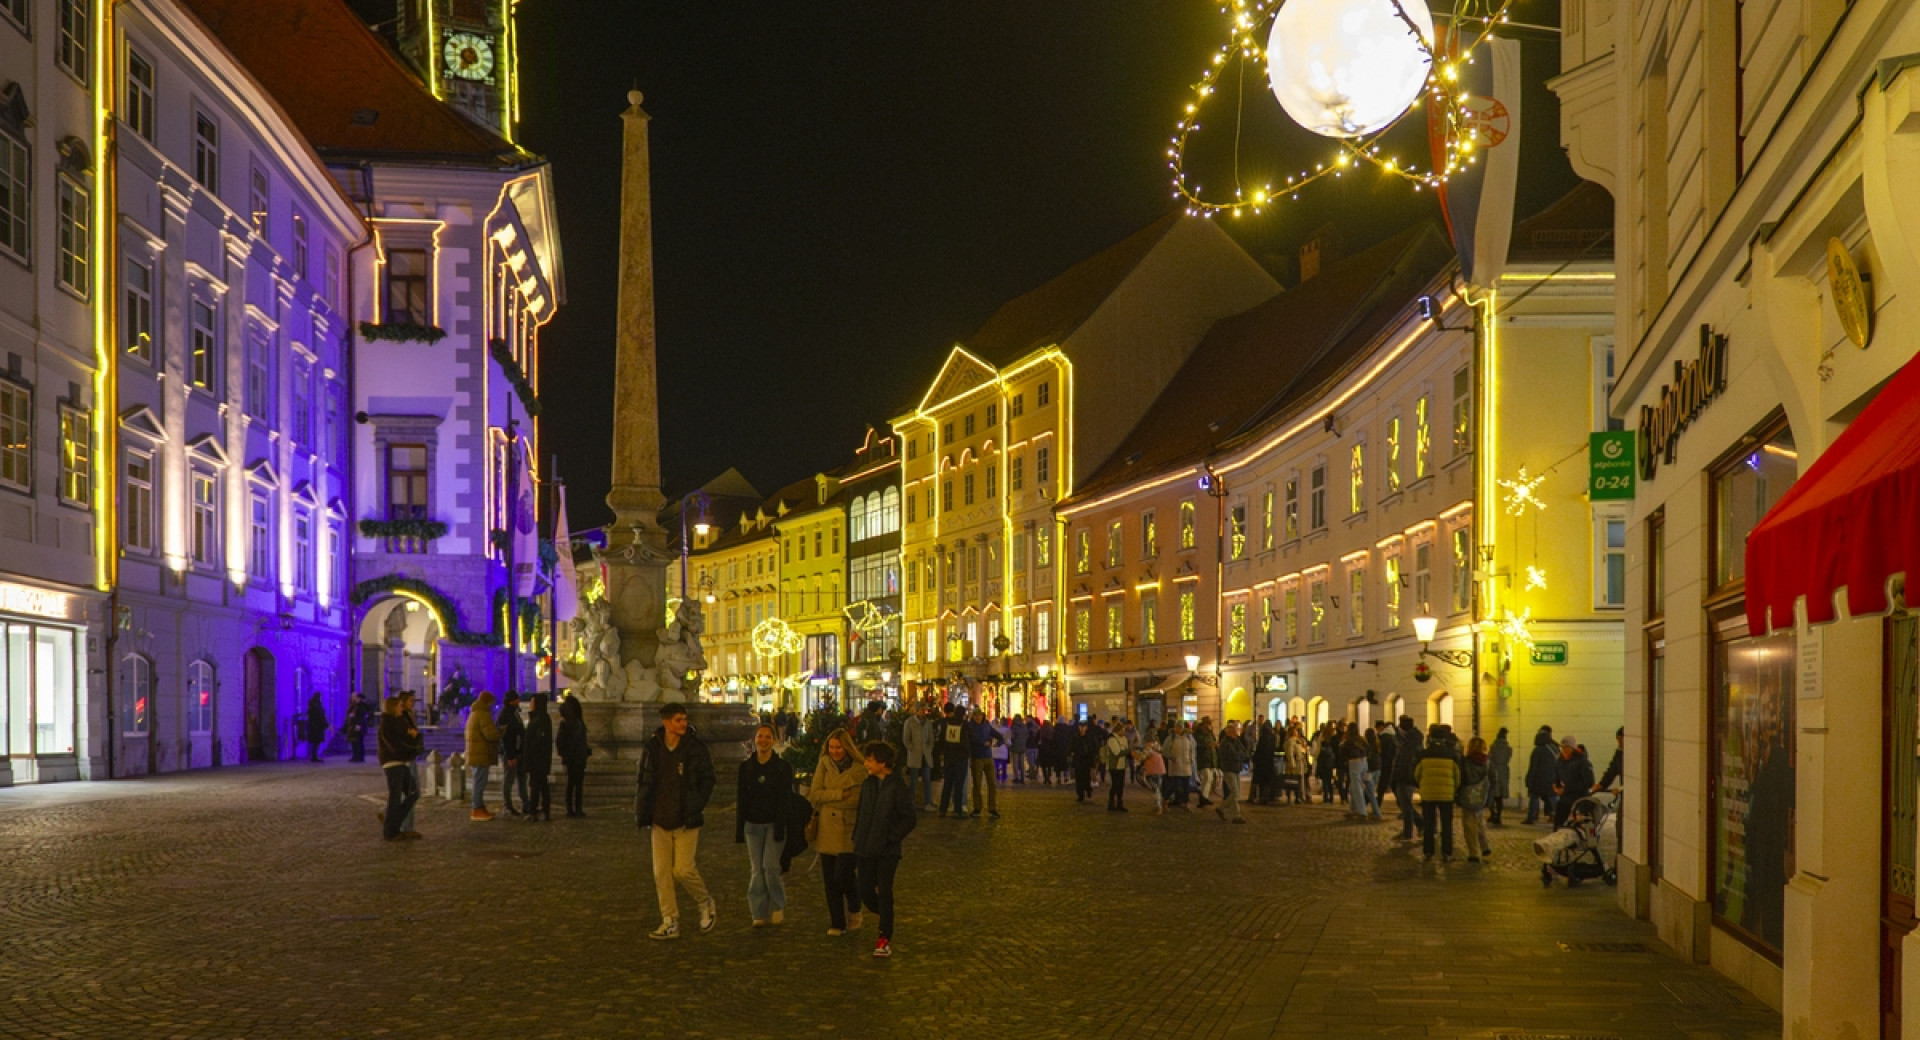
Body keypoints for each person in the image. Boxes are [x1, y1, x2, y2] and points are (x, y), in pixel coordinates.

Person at [635, 702, 718, 940]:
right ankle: (669, 919)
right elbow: (644, 781)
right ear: (666, 722)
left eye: (684, 719)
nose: (683, 723)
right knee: (661, 873)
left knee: (682, 869)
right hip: (659, 819)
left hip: (685, 818)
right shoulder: (653, 748)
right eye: (679, 720)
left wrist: (694, 805)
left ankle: (704, 901)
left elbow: (707, 779)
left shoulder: (694, 748)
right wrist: (643, 811)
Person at [853, 741, 917, 958]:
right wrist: (858, 838)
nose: (866, 764)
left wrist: (890, 837)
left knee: (885, 892)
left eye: (869, 760)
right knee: (865, 890)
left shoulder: (897, 787)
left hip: (887, 850)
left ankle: (884, 935)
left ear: (882, 763)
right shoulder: (868, 784)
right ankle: (885, 916)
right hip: (864, 847)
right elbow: (861, 813)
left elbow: (909, 818)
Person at [809, 728, 867, 936]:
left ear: (847, 747)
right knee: (829, 880)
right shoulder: (824, 764)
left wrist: (830, 798)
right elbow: (814, 794)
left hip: (849, 830)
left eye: (838, 747)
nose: (834, 751)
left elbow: (858, 800)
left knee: (844, 876)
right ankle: (837, 922)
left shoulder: (860, 769)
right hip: (827, 829)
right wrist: (839, 794)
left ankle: (854, 905)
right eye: (831, 747)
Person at [736, 724, 794, 927]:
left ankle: (778, 904)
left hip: (773, 824)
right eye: (760, 736)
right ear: (755, 739)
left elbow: (785, 799)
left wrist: (781, 826)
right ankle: (758, 912)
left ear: (774, 741)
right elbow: (741, 799)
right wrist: (739, 829)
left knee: (770, 867)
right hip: (752, 824)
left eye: (768, 736)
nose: (763, 740)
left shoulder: (782, 768)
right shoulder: (746, 768)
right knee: (756, 870)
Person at [377, 694, 424, 841]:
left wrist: (414, 738)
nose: (402, 709)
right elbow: (395, 744)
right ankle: (391, 831)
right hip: (393, 762)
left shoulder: (397, 721)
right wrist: (410, 746)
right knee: (396, 797)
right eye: (400, 706)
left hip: (401, 762)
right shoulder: (388, 723)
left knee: (413, 793)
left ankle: (392, 824)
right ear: (393, 707)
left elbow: (406, 739)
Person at [1415, 730, 1461, 862]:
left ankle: (1428, 851)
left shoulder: (1423, 755)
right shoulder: (1451, 755)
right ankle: (1447, 852)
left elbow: (1416, 774)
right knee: (1447, 825)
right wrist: (1453, 789)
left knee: (1429, 824)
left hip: (1428, 794)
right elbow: (1457, 777)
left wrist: (1422, 785)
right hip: (1447, 795)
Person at [464, 691, 502, 821]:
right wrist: (500, 732)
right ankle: (477, 808)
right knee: (480, 781)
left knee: (478, 780)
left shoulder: (473, 713)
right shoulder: (483, 714)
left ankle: (479, 807)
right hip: (481, 753)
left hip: (475, 752)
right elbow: (490, 734)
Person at [1458, 736, 1494, 861]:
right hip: (1481, 797)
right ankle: (1485, 846)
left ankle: (1473, 852)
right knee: (1479, 820)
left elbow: (1461, 780)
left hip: (1467, 797)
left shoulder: (1465, 762)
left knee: (1469, 825)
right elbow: (1493, 781)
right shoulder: (1487, 762)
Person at [556, 694, 592, 818]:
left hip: (577, 757)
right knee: (573, 784)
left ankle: (575, 808)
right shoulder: (571, 723)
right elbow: (561, 742)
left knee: (575, 784)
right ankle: (573, 808)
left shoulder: (574, 722)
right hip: (574, 757)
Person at [1390, 716, 1425, 841]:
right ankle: (1420, 824)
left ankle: (1408, 831)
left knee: (1405, 803)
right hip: (1403, 774)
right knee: (1403, 803)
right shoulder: (1411, 739)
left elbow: (1405, 760)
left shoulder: (1409, 741)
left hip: (1406, 775)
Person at [1552, 735, 1596, 829]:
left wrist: (1567, 789)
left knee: (1580, 825)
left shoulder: (1582, 762)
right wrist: (1556, 786)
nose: (1564, 751)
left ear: (1573, 748)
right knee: (1559, 822)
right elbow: (1556, 776)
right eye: (1562, 748)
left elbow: (1588, 783)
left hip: (1580, 798)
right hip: (1566, 798)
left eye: (1567, 748)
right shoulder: (1560, 761)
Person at [522, 693, 554, 821]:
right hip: (537, 758)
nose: (530, 704)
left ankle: (534, 811)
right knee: (541, 785)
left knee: (536, 785)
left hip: (538, 759)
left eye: (532, 702)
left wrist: (530, 750)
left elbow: (539, 740)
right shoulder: (539, 718)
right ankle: (543, 810)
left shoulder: (541, 719)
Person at [965, 709, 1002, 819]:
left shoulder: (986, 725)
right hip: (977, 757)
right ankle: (977, 807)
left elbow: (998, 735)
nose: (978, 717)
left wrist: (996, 743)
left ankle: (992, 808)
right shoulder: (970, 726)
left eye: (979, 715)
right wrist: (983, 743)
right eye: (976, 715)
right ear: (973, 716)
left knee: (992, 783)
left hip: (988, 757)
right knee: (977, 784)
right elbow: (971, 739)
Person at [934, 707, 970, 817]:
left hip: (949, 758)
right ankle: (957, 809)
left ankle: (943, 809)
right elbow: (967, 742)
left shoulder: (947, 724)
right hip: (960, 758)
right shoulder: (964, 725)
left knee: (947, 784)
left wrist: (941, 754)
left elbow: (941, 741)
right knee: (958, 785)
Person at [496, 693, 527, 816]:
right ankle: (507, 805)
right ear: (511, 701)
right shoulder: (506, 715)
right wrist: (510, 756)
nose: (518, 700)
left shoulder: (514, 713)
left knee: (521, 777)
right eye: (516, 699)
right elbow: (506, 738)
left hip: (518, 751)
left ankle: (525, 803)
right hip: (512, 752)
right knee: (509, 779)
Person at [1524, 726, 1559, 824]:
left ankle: (1531, 818)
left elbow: (1533, 767)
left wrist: (1529, 780)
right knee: (1553, 798)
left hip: (1538, 780)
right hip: (1551, 778)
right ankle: (1558, 816)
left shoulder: (1537, 750)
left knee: (1534, 798)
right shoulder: (1554, 748)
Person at [902, 706, 934, 809]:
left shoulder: (928, 722)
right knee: (914, 780)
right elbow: (906, 739)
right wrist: (911, 748)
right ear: (916, 711)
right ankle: (912, 802)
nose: (923, 712)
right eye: (921, 710)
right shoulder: (910, 722)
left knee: (927, 780)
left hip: (926, 755)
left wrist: (929, 748)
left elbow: (931, 737)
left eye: (924, 710)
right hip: (915, 755)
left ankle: (927, 803)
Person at [1216, 721, 1248, 823]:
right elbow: (1234, 755)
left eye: (1236, 731)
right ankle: (1236, 815)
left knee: (1236, 793)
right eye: (1234, 731)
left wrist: (1240, 755)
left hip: (1236, 768)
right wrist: (1240, 755)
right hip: (1229, 769)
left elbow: (1244, 752)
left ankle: (1221, 808)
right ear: (1228, 732)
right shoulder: (1225, 743)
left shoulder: (1236, 741)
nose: (1236, 733)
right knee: (1234, 792)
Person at [1069, 718, 1102, 803]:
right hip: (1078, 760)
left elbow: (1095, 747)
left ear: (1087, 727)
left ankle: (1088, 789)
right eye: (1080, 726)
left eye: (1084, 726)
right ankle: (1080, 794)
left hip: (1087, 760)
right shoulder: (1075, 736)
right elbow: (1071, 747)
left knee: (1086, 777)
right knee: (1079, 778)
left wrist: (1094, 757)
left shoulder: (1090, 737)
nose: (1082, 728)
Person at [1164, 722, 1195, 810]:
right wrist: (1172, 757)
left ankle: (1185, 803)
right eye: (1176, 728)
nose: (1178, 730)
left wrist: (1191, 759)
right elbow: (1165, 750)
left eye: (1179, 728)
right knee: (1175, 785)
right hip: (1176, 765)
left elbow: (1191, 750)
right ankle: (1165, 798)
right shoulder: (1171, 738)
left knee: (1186, 786)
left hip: (1186, 765)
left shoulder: (1188, 738)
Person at [1487, 727, 1514, 826]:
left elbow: (1489, 758)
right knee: (1500, 797)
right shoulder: (1509, 749)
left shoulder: (1493, 747)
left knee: (1492, 794)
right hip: (1504, 772)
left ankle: (1493, 814)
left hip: (1494, 771)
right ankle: (1498, 816)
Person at [1103, 723, 1132, 811]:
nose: (1124, 732)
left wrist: (1126, 751)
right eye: (1122, 730)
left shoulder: (1124, 739)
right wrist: (1128, 751)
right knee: (1115, 785)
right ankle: (1111, 804)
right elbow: (1117, 752)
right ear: (1118, 730)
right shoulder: (1112, 739)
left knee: (1120, 786)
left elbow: (1125, 750)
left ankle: (1119, 803)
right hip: (1115, 766)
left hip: (1122, 765)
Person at [1193, 718, 1219, 808]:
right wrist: (1207, 746)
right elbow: (1196, 746)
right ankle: (1202, 797)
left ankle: (1205, 797)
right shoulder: (1197, 733)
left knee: (1210, 779)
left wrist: (1215, 745)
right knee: (1207, 777)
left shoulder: (1210, 732)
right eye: (1207, 724)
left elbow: (1214, 741)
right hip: (1203, 758)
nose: (1209, 726)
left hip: (1211, 758)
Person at [1251, 720, 1278, 805]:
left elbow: (1259, 750)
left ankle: (1261, 797)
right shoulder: (1273, 736)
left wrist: (1254, 758)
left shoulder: (1263, 737)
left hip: (1261, 763)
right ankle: (1267, 796)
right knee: (1267, 781)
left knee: (1261, 782)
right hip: (1269, 762)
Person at [1284, 726, 1311, 805]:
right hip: (1295, 764)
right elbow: (1290, 754)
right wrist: (1292, 764)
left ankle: (1298, 796)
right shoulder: (1290, 742)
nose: (1297, 732)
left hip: (1300, 763)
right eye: (1295, 731)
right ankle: (1292, 796)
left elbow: (1302, 751)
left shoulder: (1298, 741)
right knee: (1292, 780)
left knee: (1299, 781)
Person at [345, 693, 375, 762]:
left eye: (356, 697)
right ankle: (357, 756)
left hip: (358, 726)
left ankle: (358, 756)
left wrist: (358, 725)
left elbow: (360, 716)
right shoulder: (356, 706)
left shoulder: (360, 706)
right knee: (356, 742)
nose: (354, 699)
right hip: (356, 726)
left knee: (358, 742)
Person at [304, 691, 328, 763]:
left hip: (314, 726)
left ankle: (314, 755)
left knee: (315, 742)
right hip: (317, 727)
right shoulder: (317, 706)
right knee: (316, 742)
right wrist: (325, 724)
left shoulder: (312, 705)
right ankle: (314, 756)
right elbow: (320, 716)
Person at [1008, 714, 1029, 785]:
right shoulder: (1024, 726)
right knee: (1022, 763)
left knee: (1015, 763)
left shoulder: (1013, 727)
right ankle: (1022, 777)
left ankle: (1017, 777)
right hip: (1022, 746)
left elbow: (1011, 736)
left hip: (1015, 746)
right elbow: (1027, 735)